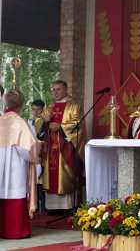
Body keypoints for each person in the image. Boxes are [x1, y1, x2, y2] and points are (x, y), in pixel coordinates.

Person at [0, 89, 39, 239]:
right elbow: (27, 149)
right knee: (14, 193)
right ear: (21, 105)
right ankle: (15, 231)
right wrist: (36, 156)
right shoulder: (20, 123)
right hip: (14, 167)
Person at [41, 80, 85, 213]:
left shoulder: (74, 106)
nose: (55, 92)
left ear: (66, 89)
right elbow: (41, 129)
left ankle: (67, 207)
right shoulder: (49, 107)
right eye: (53, 89)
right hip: (50, 147)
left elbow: (79, 124)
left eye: (58, 89)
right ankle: (52, 208)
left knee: (65, 174)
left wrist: (61, 127)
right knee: (51, 174)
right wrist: (46, 122)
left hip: (65, 147)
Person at [28, 99, 46, 213]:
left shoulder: (44, 122)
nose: (35, 112)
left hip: (41, 153)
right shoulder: (30, 121)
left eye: (38, 109)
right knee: (34, 181)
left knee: (41, 182)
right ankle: (35, 206)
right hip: (32, 152)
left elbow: (41, 137)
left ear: (42, 109)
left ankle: (42, 208)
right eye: (33, 109)